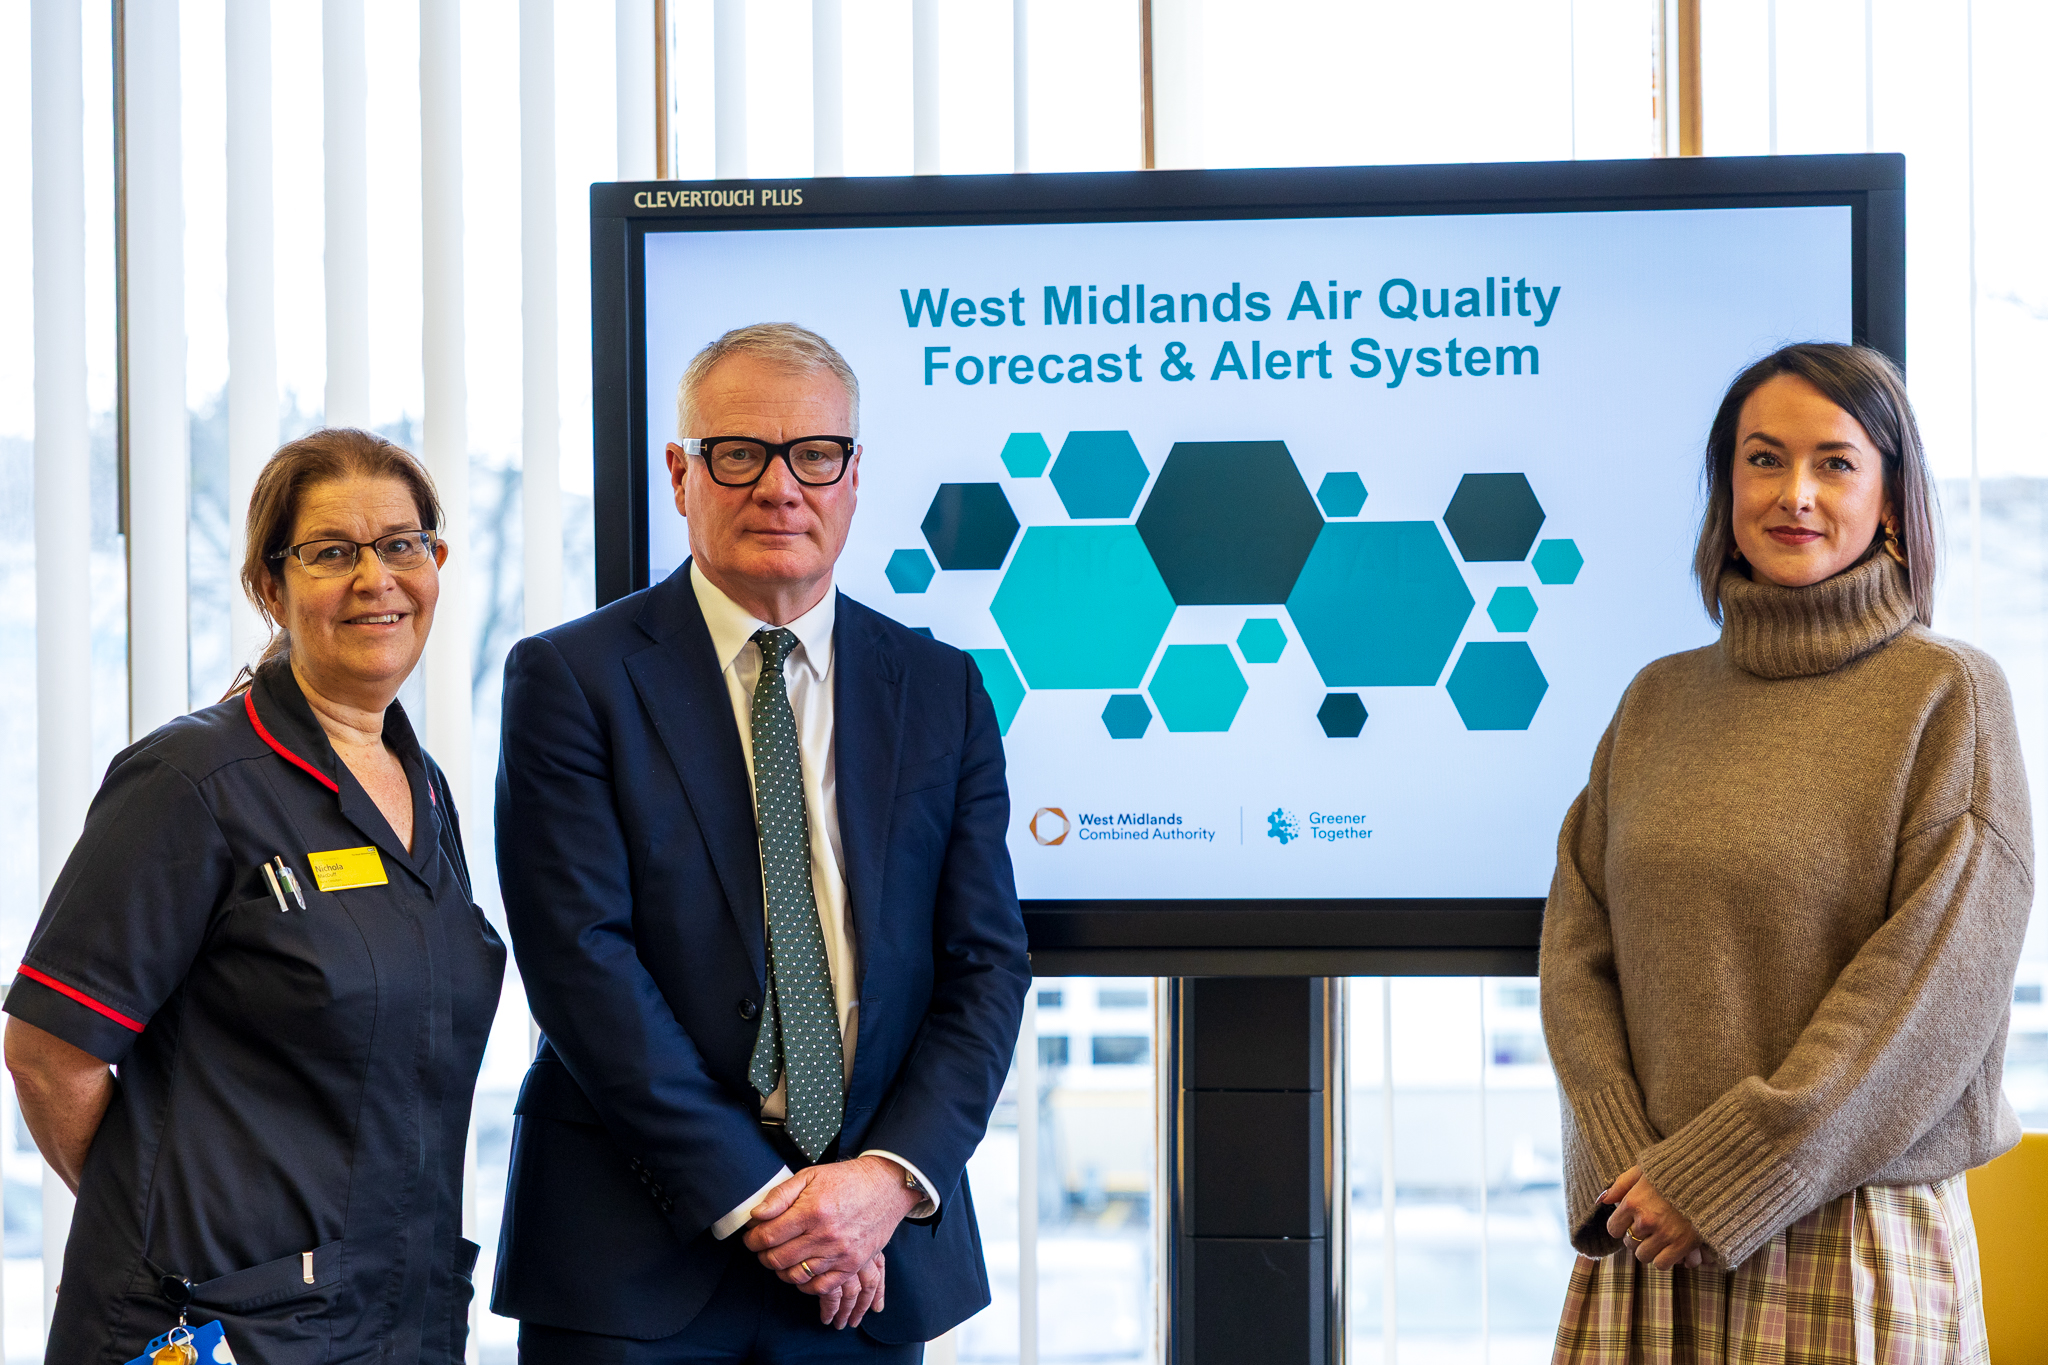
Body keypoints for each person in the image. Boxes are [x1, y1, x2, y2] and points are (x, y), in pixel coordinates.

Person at [493, 322, 1031, 1362]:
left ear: (853, 476)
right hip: (634, 1256)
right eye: (739, 453)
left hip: (865, 1264)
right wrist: (760, 1200)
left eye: (814, 455)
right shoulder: (572, 682)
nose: (780, 488)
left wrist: (884, 1183)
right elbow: (579, 962)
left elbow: (985, 965)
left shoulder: (939, 692)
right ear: (680, 475)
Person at [1541, 342, 2028, 1362]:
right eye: (1761, 460)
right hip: (1648, 1229)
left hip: (1843, 1232)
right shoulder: (1654, 701)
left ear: (1892, 501)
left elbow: (1928, 995)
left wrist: (1727, 1178)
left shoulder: (1947, 696)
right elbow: (1576, 952)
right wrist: (1633, 1167)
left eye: (1834, 464)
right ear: (1725, 489)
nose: (1792, 493)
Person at [5, 428, 507, 1362]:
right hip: (212, 1328)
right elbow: (47, 1054)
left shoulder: (422, 786)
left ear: (436, 564)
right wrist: (161, 1227)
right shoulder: (191, 779)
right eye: (331, 552)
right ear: (269, 587)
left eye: (401, 543)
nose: (376, 577)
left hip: (395, 1313)